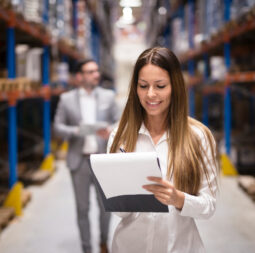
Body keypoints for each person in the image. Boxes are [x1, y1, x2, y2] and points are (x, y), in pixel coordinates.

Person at [107, 47, 218, 253]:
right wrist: (118, 195)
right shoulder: (120, 137)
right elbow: (119, 212)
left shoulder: (198, 137)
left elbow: (208, 206)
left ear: (174, 86)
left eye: (160, 86)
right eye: (143, 85)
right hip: (130, 246)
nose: (150, 94)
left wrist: (179, 199)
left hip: (179, 247)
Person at [54, 59, 119, 253]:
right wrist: (76, 131)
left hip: (102, 161)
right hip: (79, 161)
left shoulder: (108, 96)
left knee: (105, 208)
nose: (96, 75)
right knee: (82, 209)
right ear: (79, 77)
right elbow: (57, 127)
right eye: (91, 72)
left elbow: (120, 121)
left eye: (97, 71)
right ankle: (86, 248)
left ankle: (103, 243)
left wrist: (110, 130)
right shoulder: (66, 99)